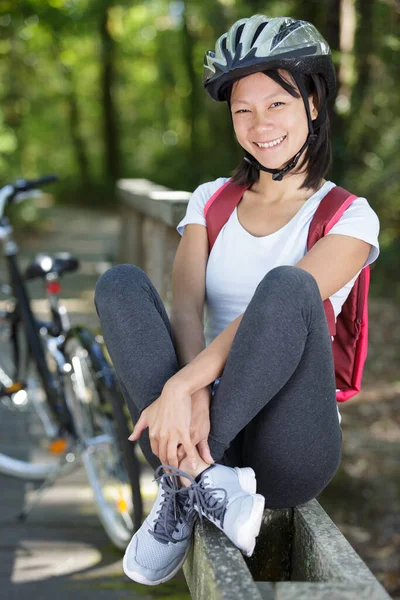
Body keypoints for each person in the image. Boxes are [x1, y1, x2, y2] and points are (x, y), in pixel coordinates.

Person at [94, 15, 380, 587]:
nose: (259, 123)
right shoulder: (210, 201)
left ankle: (181, 474)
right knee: (119, 283)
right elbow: (183, 310)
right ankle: (198, 478)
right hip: (196, 422)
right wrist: (190, 389)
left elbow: (268, 314)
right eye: (242, 110)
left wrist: (183, 388)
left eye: (277, 103)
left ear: (314, 104)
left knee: (288, 286)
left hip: (288, 443)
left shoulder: (350, 217)